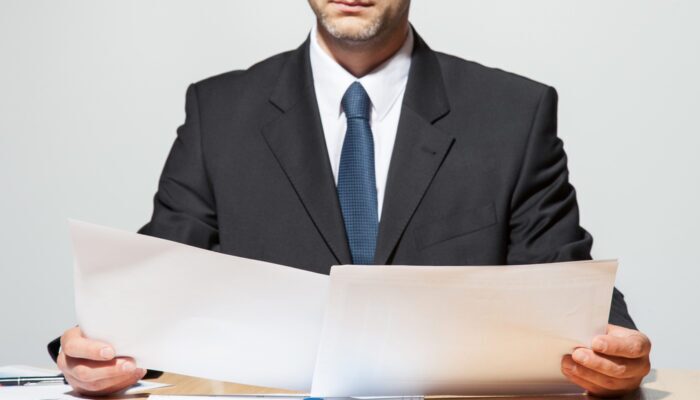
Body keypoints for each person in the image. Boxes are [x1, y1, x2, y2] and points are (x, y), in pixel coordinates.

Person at [49, 0, 651, 397]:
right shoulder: (219, 112)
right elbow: (162, 280)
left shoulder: (513, 114)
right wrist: (94, 348)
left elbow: (564, 276)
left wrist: (615, 349)